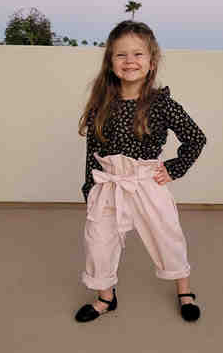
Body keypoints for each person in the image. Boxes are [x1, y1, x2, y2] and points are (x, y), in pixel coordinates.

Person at [74, 20, 207, 323]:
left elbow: (196, 138)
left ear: (151, 61)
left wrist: (173, 168)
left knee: (167, 236)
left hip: (146, 182)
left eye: (138, 54)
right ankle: (105, 297)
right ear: (110, 62)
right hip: (108, 184)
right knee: (98, 241)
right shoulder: (101, 105)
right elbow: (92, 151)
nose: (130, 61)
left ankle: (184, 291)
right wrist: (89, 188)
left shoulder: (161, 104)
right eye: (121, 55)